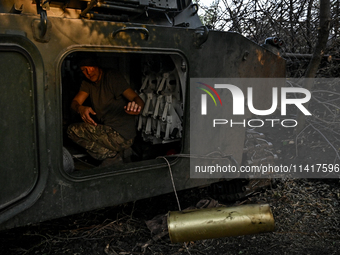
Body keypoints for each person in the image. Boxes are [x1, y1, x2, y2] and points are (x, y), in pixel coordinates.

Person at [67, 57, 144, 166]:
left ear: (98, 66)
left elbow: (138, 99)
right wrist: (80, 108)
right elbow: (75, 102)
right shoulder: (87, 83)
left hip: (121, 135)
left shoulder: (112, 77)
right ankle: (121, 153)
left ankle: (111, 156)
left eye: (91, 67)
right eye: (84, 69)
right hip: (109, 130)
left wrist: (136, 107)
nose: (89, 72)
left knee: (72, 130)